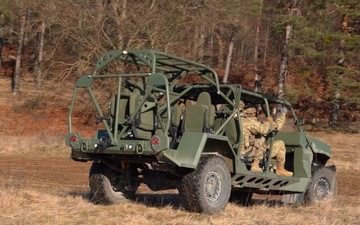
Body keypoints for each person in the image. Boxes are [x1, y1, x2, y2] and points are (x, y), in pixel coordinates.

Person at [240, 104, 293, 177]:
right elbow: (268, 129)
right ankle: (280, 169)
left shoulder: (237, 120)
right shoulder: (250, 121)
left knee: (260, 140)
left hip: (240, 149)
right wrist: (279, 116)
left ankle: (257, 164)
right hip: (249, 152)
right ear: (253, 113)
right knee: (280, 144)